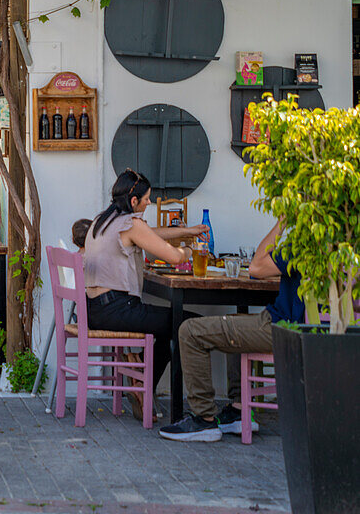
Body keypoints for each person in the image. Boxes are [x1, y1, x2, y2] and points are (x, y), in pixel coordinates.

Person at [160, 218, 303, 442]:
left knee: (189, 331)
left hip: (281, 328)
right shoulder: (345, 254)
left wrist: (282, 223)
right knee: (239, 320)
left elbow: (256, 267)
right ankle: (238, 410)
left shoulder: (302, 250)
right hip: (313, 332)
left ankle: (204, 420)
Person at [83, 169, 208, 414]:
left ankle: (142, 380)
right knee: (188, 324)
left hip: (96, 309)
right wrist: (195, 251)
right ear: (133, 201)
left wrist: (186, 231)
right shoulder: (131, 223)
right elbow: (173, 257)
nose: (149, 202)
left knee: (169, 324)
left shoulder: (103, 219)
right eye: (147, 199)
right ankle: (184, 405)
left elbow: (151, 235)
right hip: (117, 309)